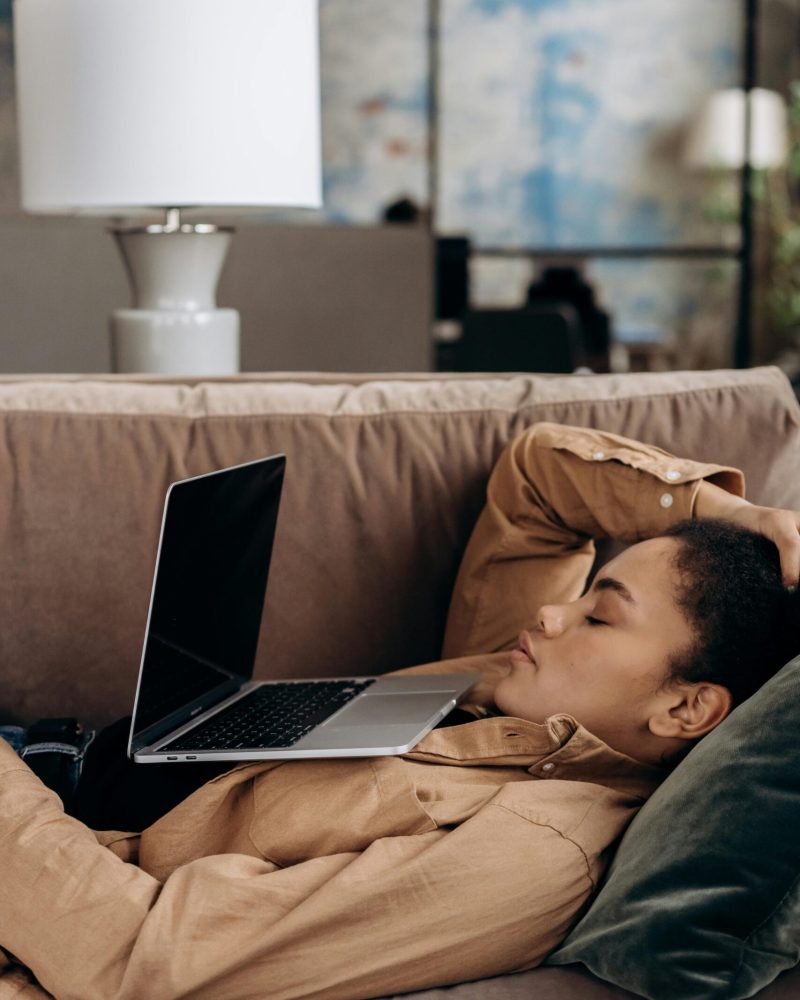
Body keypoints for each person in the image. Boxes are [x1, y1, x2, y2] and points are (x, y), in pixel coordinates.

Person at [0, 423, 798, 1000]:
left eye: (600, 615)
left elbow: (146, 962)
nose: (556, 614)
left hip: (35, 848)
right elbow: (537, 482)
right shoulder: (514, 678)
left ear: (687, 708)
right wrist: (727, 516)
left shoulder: (529, 855)